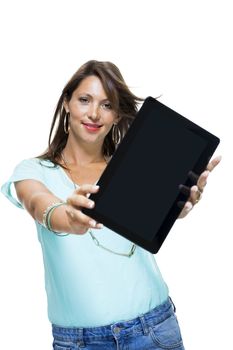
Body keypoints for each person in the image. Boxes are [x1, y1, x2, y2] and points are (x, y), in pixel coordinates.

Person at [1, 60, 221, 350]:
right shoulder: (33, 171)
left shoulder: (137, 168)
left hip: (154, 329)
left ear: (118, 115)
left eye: (107, 105)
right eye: (84, 100)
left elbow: (152, 219)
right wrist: (66, 216)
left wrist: (174, 208)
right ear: (67, 103)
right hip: (80, 342)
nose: (94, 113)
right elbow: (38, 203)